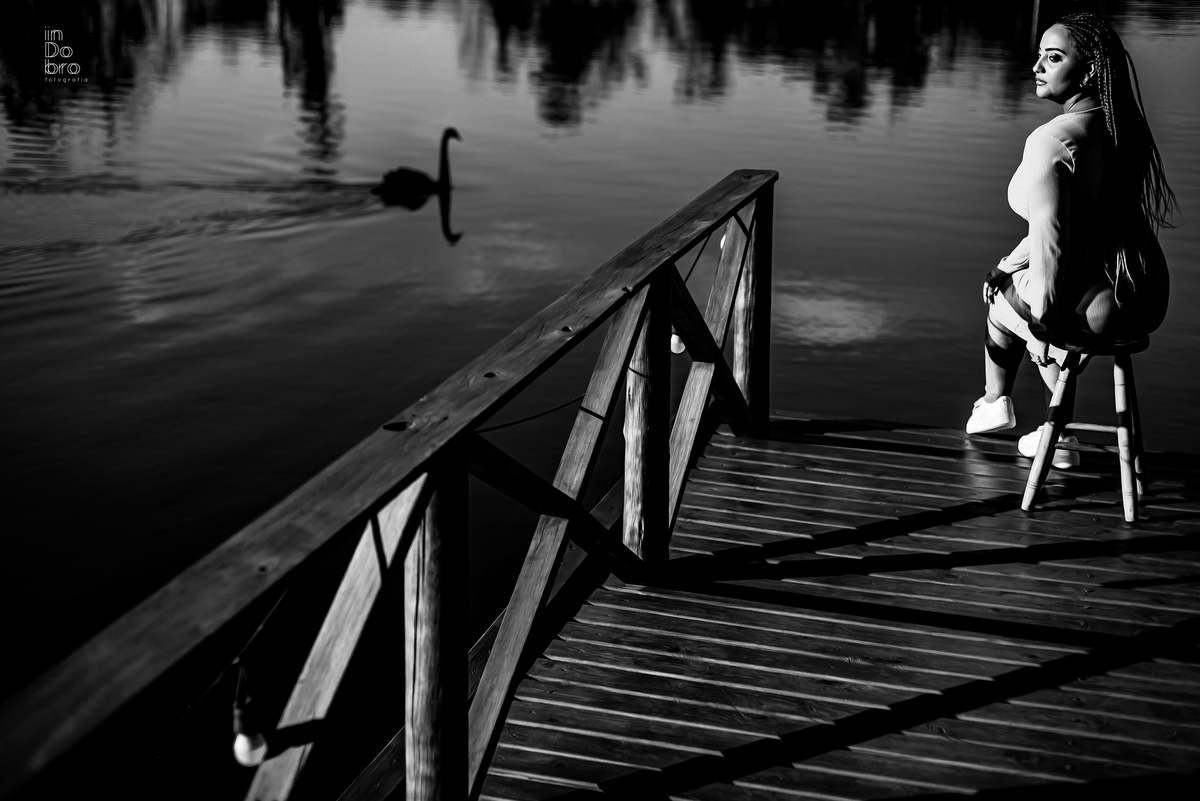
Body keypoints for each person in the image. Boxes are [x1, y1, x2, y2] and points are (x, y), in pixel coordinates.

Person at [965, 12, 1176, 465]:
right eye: (1039, 55)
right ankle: (1046, 429)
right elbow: (1076, 223)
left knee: (1007, 303)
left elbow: (1053, 247)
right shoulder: (1122, 125)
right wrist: (1008, 261)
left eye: (1054, 57)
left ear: (1090, 69)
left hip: (1100, 303)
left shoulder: (1052, 141)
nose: (1038, 67)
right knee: (1016, 283)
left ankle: (1011, 411)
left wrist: (1042, 327)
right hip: (1146, 291)